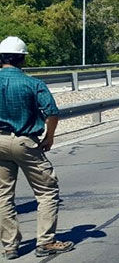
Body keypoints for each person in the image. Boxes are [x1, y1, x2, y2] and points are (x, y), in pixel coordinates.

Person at [0, 37, 73, 259]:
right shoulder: (32, 83)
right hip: (25, 141)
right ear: (22, 59)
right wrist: (49, 137)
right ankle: (46, 241)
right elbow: (52, 112)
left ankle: (10, 246)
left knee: (3, 195)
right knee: (47, 190)